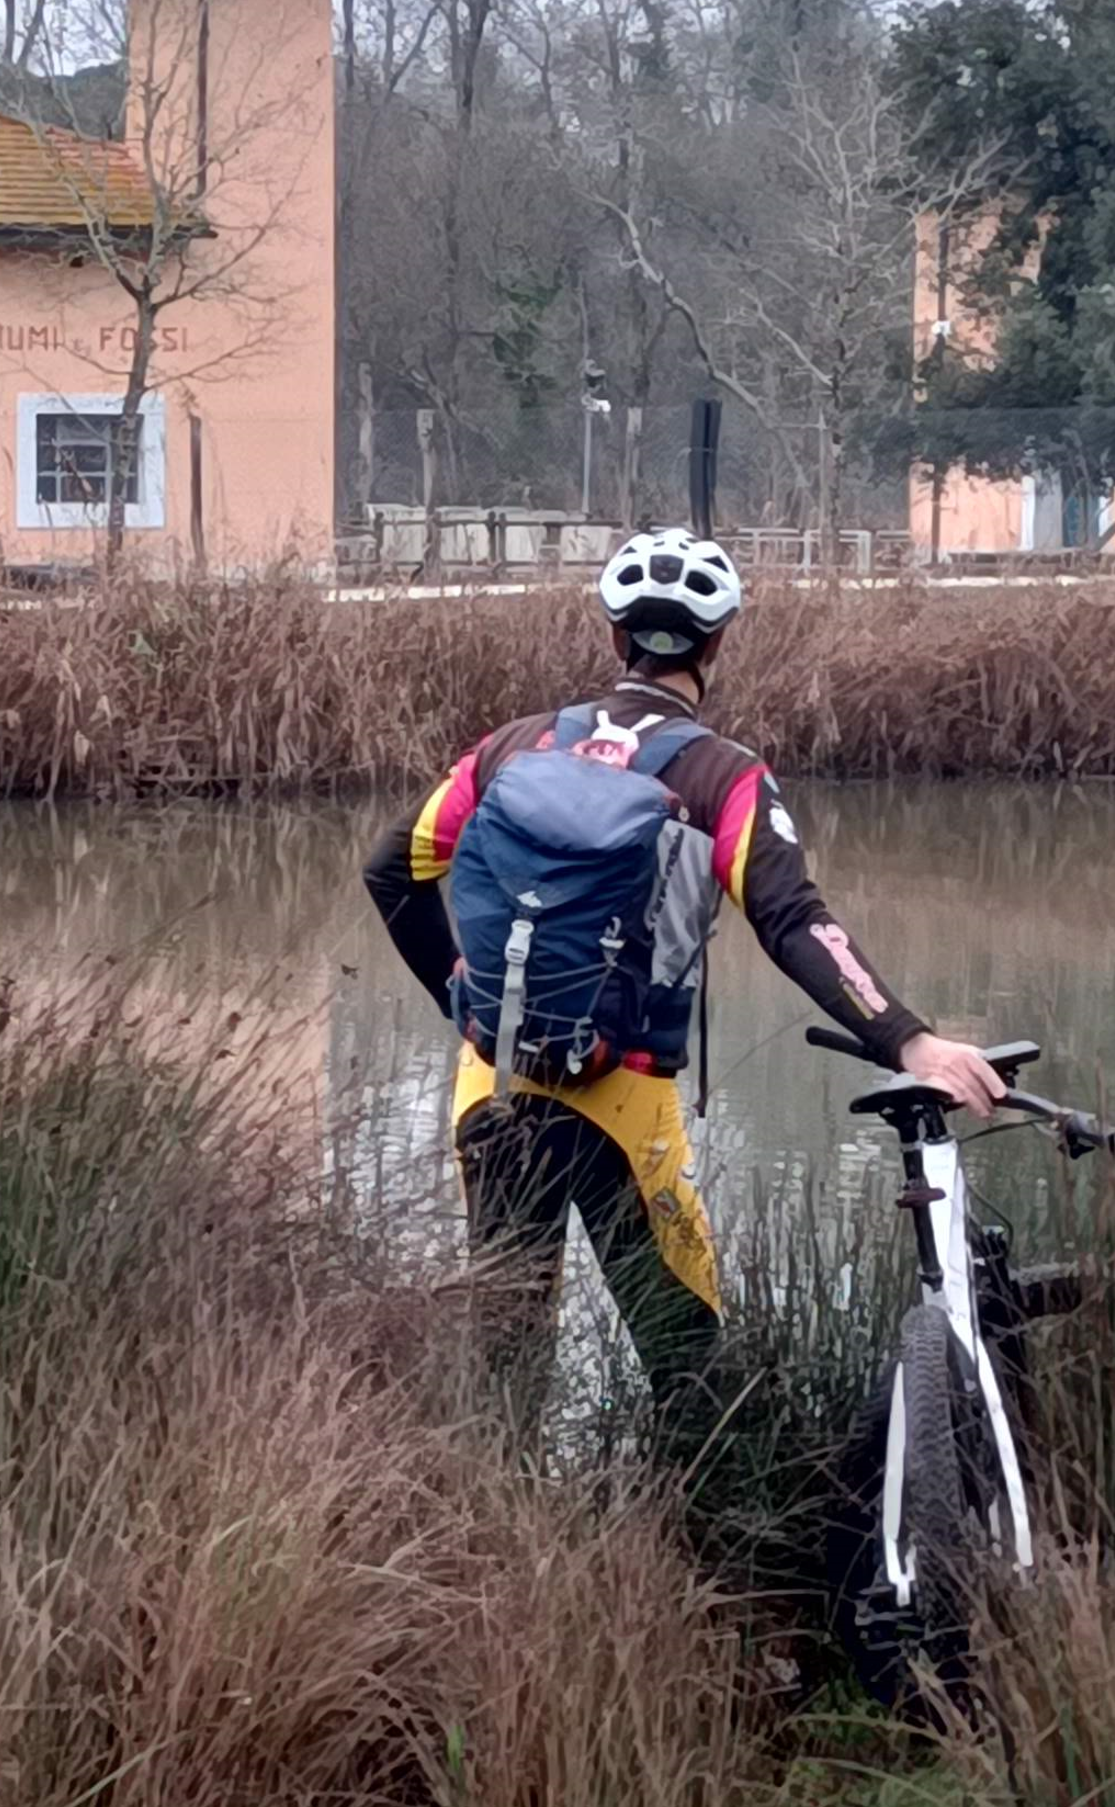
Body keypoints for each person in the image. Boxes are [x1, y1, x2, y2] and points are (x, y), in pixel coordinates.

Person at [363, 527, 1011, 1428]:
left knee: (506, 1359)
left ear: (613, 633)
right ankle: (705, 1551)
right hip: (623, 1105)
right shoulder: (722, 775)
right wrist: (907, 1035)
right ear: (715, 644)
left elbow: (391, 870)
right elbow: (793, 920)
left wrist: (463, 1002)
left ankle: (487, 1549)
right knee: (695, 1373)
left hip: (492, 1085)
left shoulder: (515, 745)